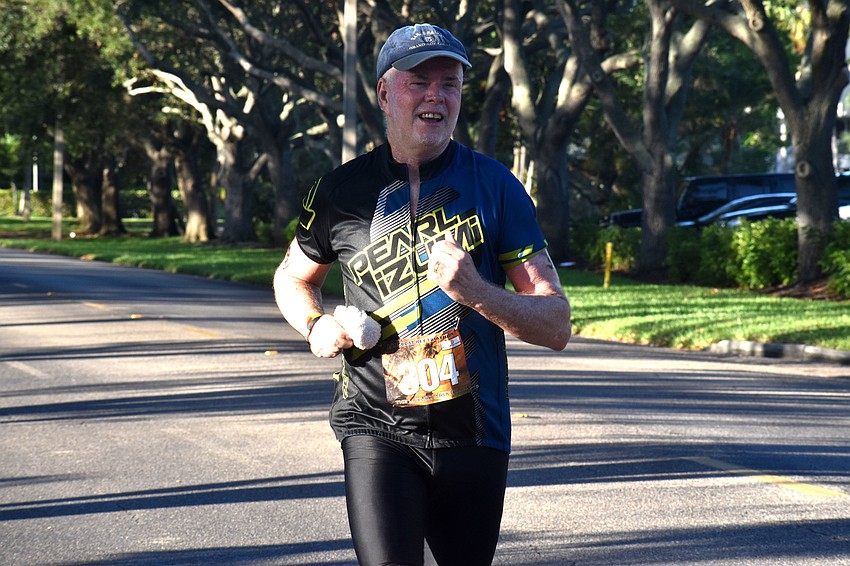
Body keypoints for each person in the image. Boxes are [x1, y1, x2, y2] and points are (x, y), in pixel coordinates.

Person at [273, 22, 571, 566]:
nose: (436, 94)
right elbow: (293, 277)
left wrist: (476, 292)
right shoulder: (340, 191)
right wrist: (314, 324)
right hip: (375, 426)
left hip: (474, 433)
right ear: (385, 92)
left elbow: (555, 323)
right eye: (419, 81)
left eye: (450, 83)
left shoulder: (496, 187)